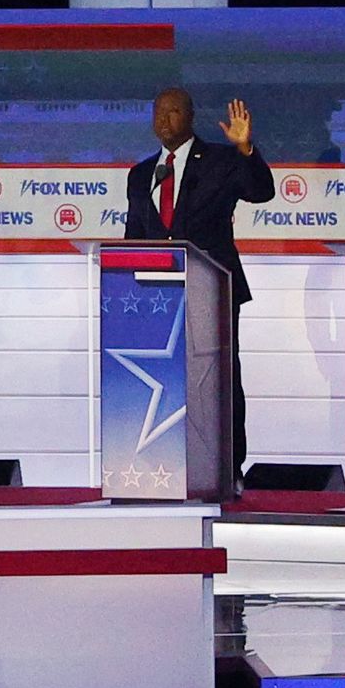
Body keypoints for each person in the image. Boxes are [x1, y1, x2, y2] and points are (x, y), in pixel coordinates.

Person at [117, 87, 278, 469]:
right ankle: (164, 460)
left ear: (190, 117)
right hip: (158, 297)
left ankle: (227, 467)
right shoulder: (141, 175)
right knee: (162, 379)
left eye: (173, 111)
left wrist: (245, 149)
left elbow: (262, 192)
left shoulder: (221, 161)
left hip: (213, 292)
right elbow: (133, 239)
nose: (163, 119)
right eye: (158, 112)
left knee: (219, 378)